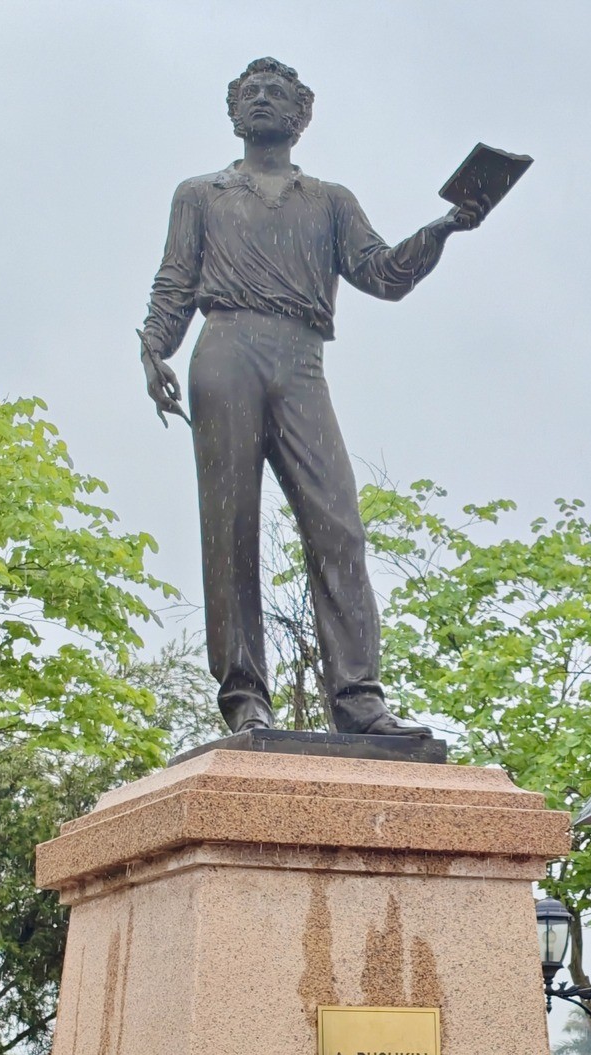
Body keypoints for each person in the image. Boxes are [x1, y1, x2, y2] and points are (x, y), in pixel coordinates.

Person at [139, 57, 487, 737]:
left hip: (301, 358)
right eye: (251, 94)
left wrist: (444, 227)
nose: (263, 101)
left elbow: (383, 275)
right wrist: (154, 348)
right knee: (230, 528)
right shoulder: (200, 194)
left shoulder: (330, 200)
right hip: (226, 348)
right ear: (234, 112)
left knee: (338, 525)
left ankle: (358, 697)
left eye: (278, 95)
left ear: (303, 116)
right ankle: (244, 697)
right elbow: (174, 282)